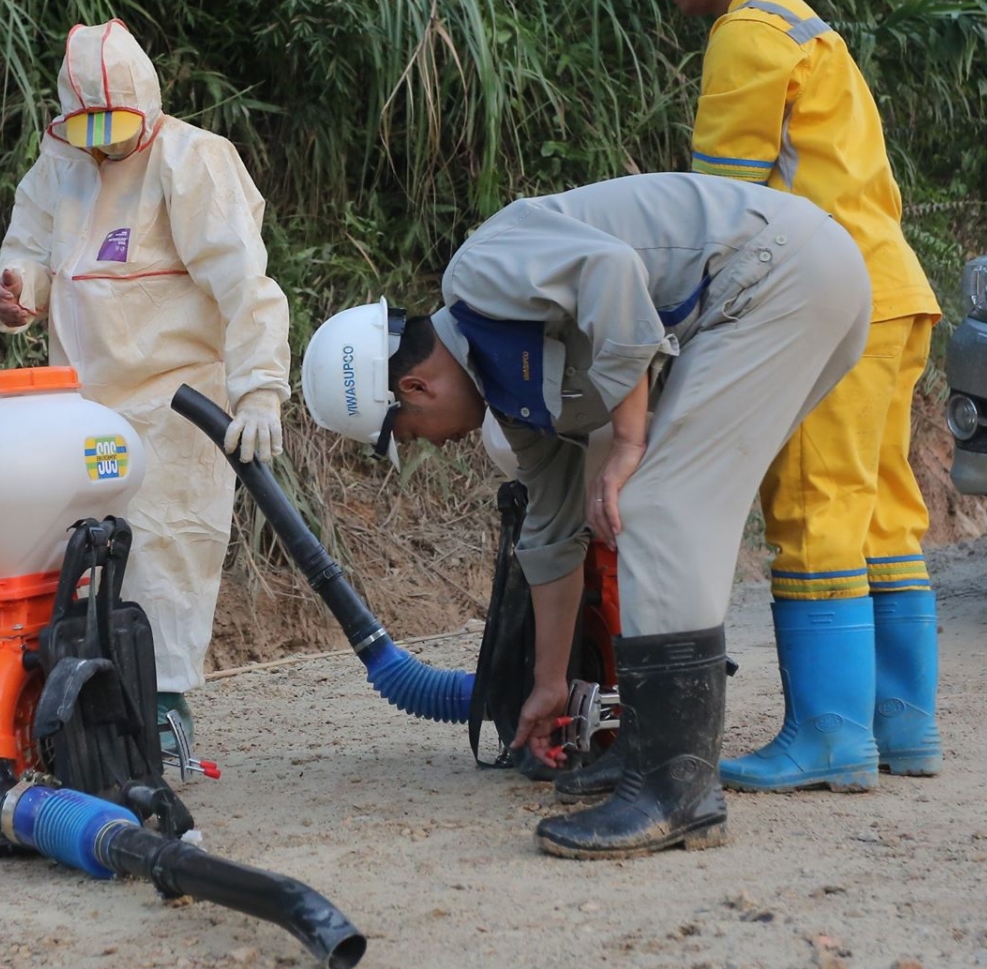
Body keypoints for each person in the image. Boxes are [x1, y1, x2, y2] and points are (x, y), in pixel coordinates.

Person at [303, 174, 869, 858]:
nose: (431, 446)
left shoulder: (479, 274)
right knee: (647, 509)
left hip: (777, 276)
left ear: (415, 385)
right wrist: (548, 688)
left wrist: (630, 443)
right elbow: (550, 535)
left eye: (411, 432)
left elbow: (614, 272)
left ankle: (675, 793)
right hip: (778, 289)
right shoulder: (512, 401)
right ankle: (651, 750)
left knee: (658, 505)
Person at [604, 0, 944, 793]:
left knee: (813, 508)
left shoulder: (747, 34)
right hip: (898, 293)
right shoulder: (809, 25)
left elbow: (717, 218)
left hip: (836, 306)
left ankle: (831, 738)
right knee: (882, 511)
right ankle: (905, 727)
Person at [0, 21, 290, 746]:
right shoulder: (61, 165)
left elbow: (244, 284)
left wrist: (259, 388)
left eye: (116, 126)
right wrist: (13, 288)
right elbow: (26, 253)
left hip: (174, 405)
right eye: (87, 126)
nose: (103, 143)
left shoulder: (193, 162)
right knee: (71, 564)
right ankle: (68, 715)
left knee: (164, 557)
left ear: (147, 104)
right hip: (78, 408)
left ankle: (162, 715)